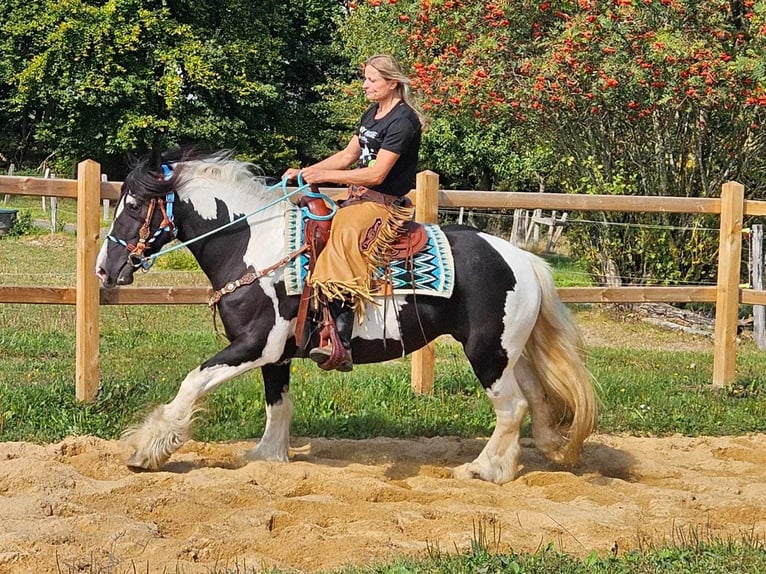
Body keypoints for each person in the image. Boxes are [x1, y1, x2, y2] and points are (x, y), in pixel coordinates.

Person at [283, 54, 426, 372]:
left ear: (392, 83)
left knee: (344, 232)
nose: (365, 85)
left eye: (372, 80)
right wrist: (306, 172)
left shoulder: (403, 121)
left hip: (383, 203)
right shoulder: (372, 113)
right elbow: (349, 155)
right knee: (314, 220)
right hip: (359, 196)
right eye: (366, 79)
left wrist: (324, 177)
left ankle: (340, 341)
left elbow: (376, 174)